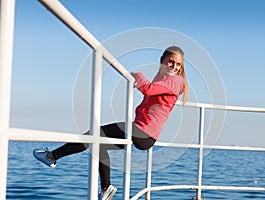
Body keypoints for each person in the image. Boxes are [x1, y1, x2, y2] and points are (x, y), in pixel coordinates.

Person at [33, 46, 188, 200]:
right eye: (171, 62)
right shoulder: (164, 78)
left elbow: (147, 89)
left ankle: (51, 156)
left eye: (178, 64)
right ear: (162, 61)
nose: (174, 66)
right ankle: (106, 188)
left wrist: (138, 75)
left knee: (92, 135)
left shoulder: (176, 81)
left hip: (142, 131)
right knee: (97, 145)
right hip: (144, 134)